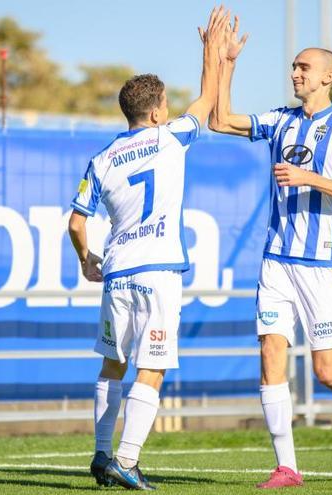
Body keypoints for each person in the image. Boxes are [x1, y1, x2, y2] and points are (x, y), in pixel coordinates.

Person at [209, 18, 332, 489]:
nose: (295, 73)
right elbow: (218, 119)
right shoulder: (280, 120)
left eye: (304, 67)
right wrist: (226, 64)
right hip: (277, 261)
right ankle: (287, 467)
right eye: (294, 67)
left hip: (325, 268)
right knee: (271, 353)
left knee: (328, 372)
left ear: (327, 77)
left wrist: (310, 179)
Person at [67, 7, 226, 491]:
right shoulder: (170, 136)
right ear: (157, 110)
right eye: (166, 104)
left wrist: (85, 260)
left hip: (117, 273)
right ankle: (128, 461)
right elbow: (209, 100)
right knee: (152, 367)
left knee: (112, 364)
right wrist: (212, 52)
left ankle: (100, 454)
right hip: (158, 272)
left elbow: (76, 222)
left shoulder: (102, 159)